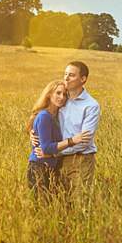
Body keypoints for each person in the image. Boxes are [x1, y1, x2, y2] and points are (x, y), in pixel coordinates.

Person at [32, 61, 101, 192]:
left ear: (83, 79)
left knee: (80, 202)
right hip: (57, 161)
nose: (66, 78)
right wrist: (32, 132)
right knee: (62, 202)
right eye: (65, 74)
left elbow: (83, 142)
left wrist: (53, 153)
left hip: (80, 159)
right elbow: (41, 117)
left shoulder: (91, 106)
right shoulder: (61, 98)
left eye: (71, 75)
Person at [24, 80, 91, 195]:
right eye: (58, 93)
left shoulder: (57, 115)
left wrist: (53, 154)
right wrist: (72, 141)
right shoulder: (45, 116)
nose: (62, 97)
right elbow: (46, 149)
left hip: (50, 168)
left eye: (65, 94)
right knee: (44, 209)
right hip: (39, 168)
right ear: (49, 94)